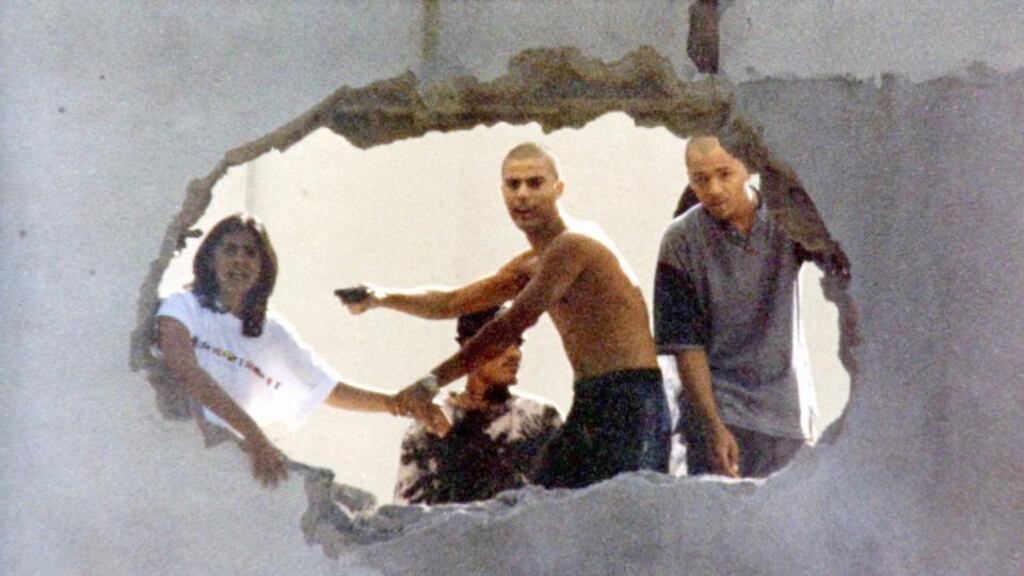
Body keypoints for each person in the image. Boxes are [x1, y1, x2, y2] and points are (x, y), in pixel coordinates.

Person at [342, 142, 671, 490]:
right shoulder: (534, 260)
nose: (523, 195)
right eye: (513, 185)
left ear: (559, 189)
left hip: (632, 403)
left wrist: (429, 382)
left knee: (615, 520)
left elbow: (509, 325)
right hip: (591, 399)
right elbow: (453, 302)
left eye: (535, 183)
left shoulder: (573, 246)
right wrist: (381, 297)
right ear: (502, 193)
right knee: (547, 509)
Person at [156, 214, 446, 489]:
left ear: (263, 266)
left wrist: (397, 404)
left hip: (231, 470)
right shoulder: (183, 305)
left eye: (250, 252)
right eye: (230, 250)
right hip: (176, 460)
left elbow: (326, 389)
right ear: (210, 258)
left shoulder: (271, 330)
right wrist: (256, 437)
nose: (239, 260)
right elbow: (186, 370)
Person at [653, 135, 817, 479]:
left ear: (748, 168)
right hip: (722, 412)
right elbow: (686, 346)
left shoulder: (787, 220)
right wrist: (712, 427)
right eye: (700, 179)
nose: (713, 188)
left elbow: (843, 262)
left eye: (724, 174)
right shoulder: (680, 240)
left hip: (787, 412)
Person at [393, 305, 563, 505]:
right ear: (468, 347)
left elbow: (565, 498)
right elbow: (409, 514)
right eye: (503, 343)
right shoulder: (429, 425)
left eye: (518, 343)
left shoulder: (539, 416)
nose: (515, 353)